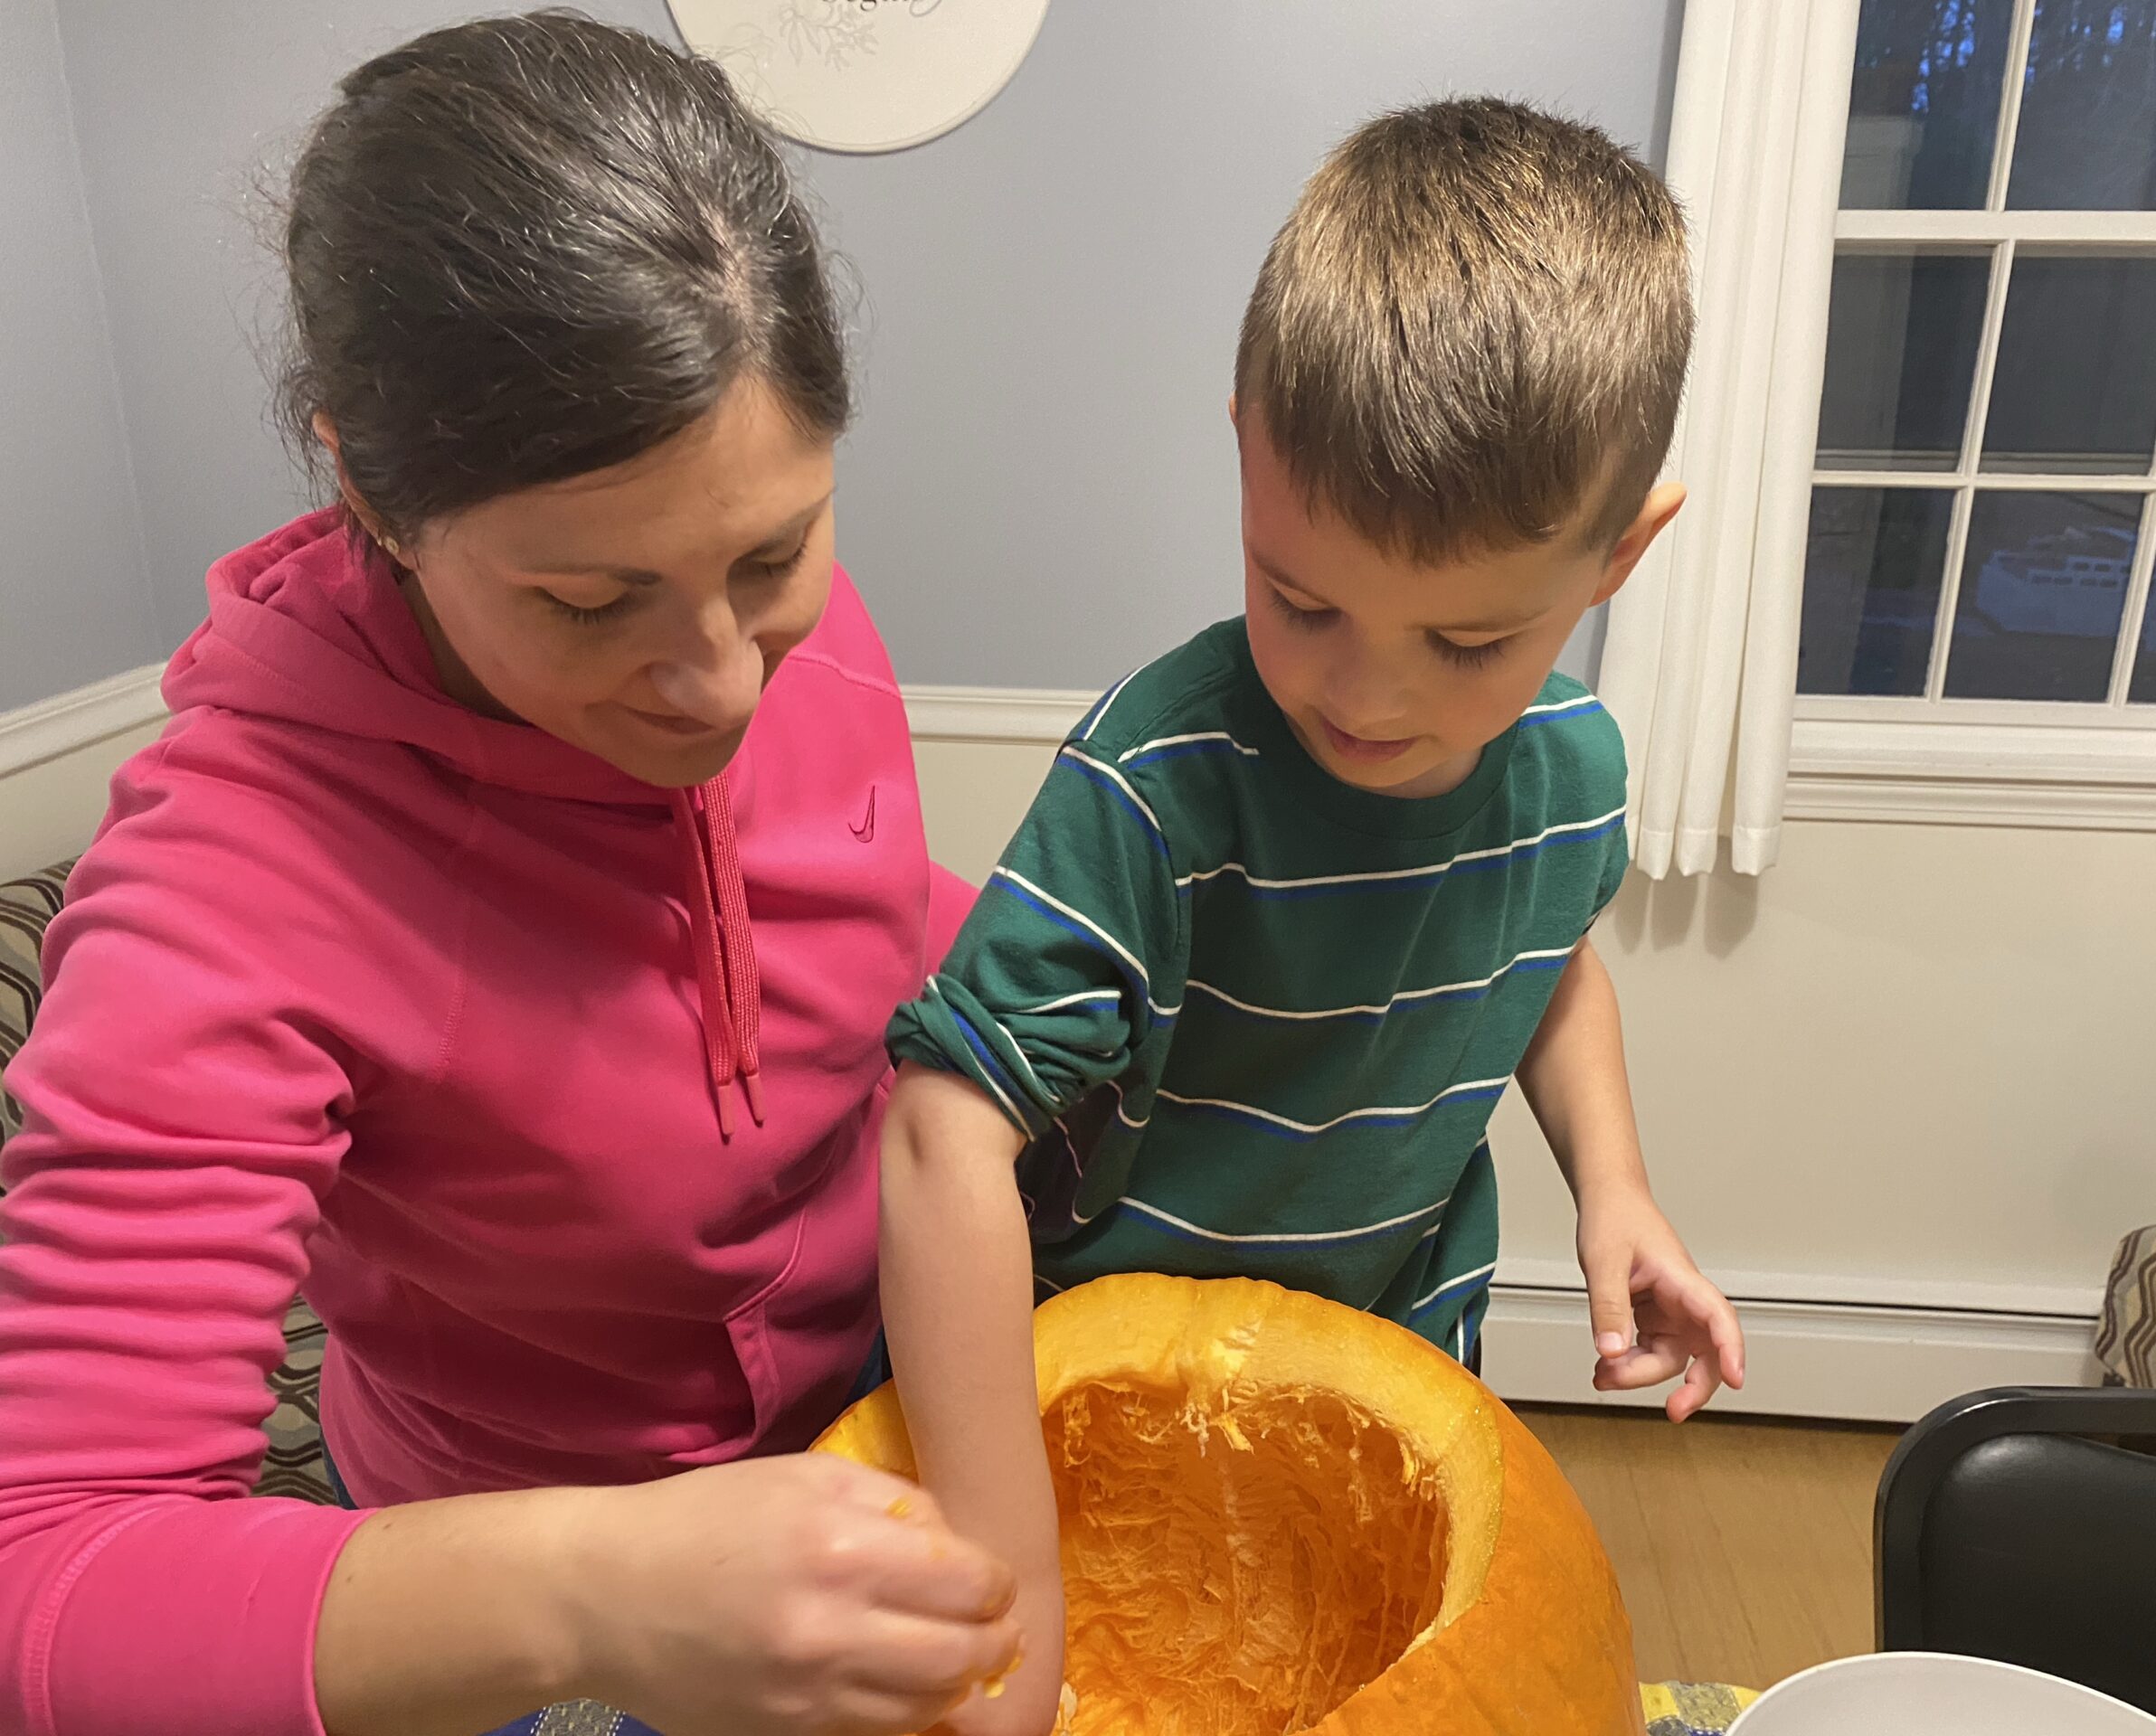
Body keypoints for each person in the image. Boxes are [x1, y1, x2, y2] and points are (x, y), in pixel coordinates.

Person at [0, 16, 1021, 1736]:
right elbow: (45, 1574)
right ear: (370, 489)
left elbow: (848, 914)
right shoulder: (222, 890)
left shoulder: (746, 612)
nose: (719, 683)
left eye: (771, 556)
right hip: (521, 1560)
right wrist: (588, 1593)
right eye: (586, 605)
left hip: (873, 1405)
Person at [878, 99, 1752, 1735]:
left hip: (1392, 1346)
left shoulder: (1575, 773)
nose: (1368, 695)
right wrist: (1016, 1579)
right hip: (1090, 1382)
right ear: (1247, 453)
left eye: (1469, 644)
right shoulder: (1157, 782)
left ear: (1617, 557)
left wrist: (1617, 1188)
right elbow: (940, 1135)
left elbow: (1550, 964)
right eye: (1302, 600)